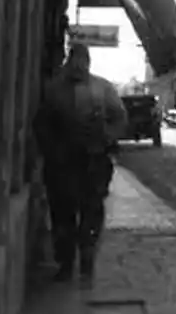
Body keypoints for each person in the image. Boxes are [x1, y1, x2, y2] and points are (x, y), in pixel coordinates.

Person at [34, 43, 128, 281]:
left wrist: (106, 136)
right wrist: (52, 149)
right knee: (63, 214)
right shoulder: (54, 90)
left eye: (83, 60)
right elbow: (42, 123)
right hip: (62, 164)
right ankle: (65, 262)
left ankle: (86, 259)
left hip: (93, 162)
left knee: (91, 212)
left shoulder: (103, 88)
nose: (78, 65)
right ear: (69, 61)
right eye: (75, 60)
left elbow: (119, 118)